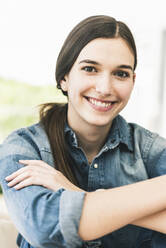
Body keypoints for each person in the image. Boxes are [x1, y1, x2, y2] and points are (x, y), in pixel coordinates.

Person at [0, 15, 166, 248]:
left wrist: (73, 192)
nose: (105, 88)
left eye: (121, 73)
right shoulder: (24, 147)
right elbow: (44, 228)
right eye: (90, 68)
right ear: (64, 77)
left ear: (133, 80)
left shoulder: (150, 150)